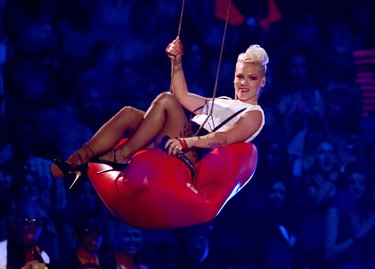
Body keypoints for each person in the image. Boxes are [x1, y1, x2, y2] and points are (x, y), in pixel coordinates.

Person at [51, 36, 268, 185]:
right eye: (240, 76)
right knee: (128, 112)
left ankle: (123, 156)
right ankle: (77, 159)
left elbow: (223, 138)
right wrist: (177, 62)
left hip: (190, 153)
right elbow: (183, 96)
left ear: (262, 82)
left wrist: (186, 142)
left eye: (252, 78)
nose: (244, 83)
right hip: (176, 139)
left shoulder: (254, 114)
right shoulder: (222, 100)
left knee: (166, 99)